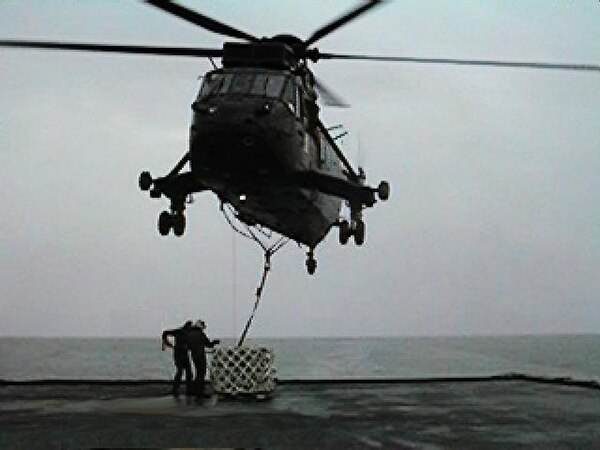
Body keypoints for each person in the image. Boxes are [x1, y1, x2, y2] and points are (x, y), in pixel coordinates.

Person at [187, 319, 220, 396]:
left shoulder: (189, 334)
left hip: (194, 355)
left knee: (198, 372)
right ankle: (200, 391)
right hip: (200, 354)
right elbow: (208, 344)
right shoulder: (200, 333)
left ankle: (196, 390)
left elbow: (188, 346)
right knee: (201, 373)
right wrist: (214, 342)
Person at [162, 320, 193, 396]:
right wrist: (166, 342)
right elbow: (165, 333)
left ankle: (181, 389)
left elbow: (165, 333)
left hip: (182, 353)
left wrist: (166, 342)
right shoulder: (179, 331)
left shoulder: (182, 332)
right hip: (179, 353)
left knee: (185, 372)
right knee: (182, 371)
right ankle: (179, 389)